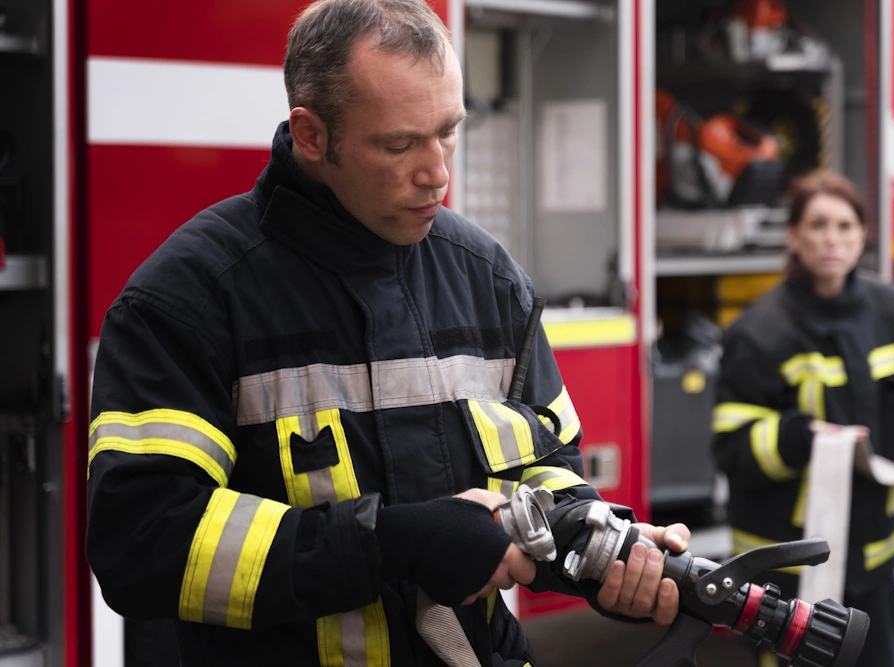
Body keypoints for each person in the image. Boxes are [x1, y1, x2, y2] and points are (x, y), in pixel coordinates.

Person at [85, 1, 690, 665]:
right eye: (400, 144)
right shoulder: (188, 301)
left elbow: (550, 474)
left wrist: (595, 552)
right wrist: (387, 543)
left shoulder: (488, 278)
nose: (438, 173)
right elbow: (143, 542)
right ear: (312, 136)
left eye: (449, 132)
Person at [712, 171, 894, 667]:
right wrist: (798, 437)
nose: (832, 238)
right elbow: (732, 447)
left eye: (845, 226)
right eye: (818, 224)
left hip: (873, 556)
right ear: (794, 236)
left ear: (863, 235)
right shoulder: (758, 333)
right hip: (789, 565)